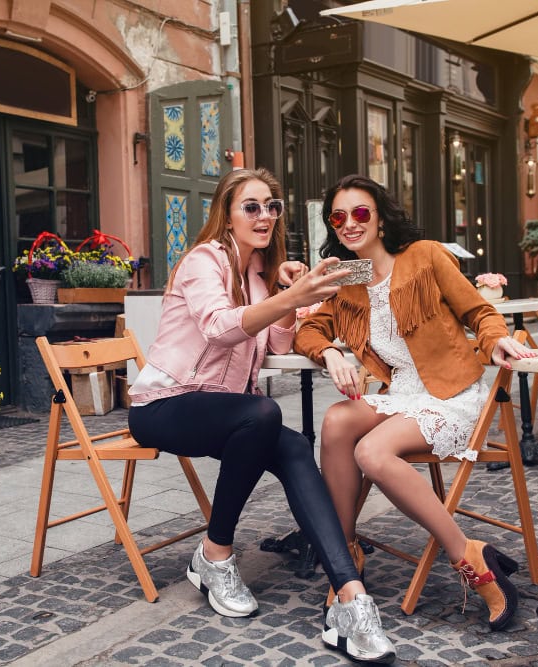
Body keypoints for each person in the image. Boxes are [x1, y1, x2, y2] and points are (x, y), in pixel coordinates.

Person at [127, 168, 397, 664]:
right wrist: (288, 297)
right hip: (164, 406)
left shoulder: (258, 276)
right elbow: (218, 328)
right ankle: (215, 554)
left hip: (230, 413)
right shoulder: (203, 261)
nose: (265, 215)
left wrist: (295, 298)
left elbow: (275, 342)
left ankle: (351, 600)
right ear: (226, 216)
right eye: (251, 206)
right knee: (263, 412)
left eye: (272, 206)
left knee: (291, 443)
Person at [293, 174, 536, 631]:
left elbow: (478, 310)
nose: (349, 223)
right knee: (336, 420)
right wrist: (329, 351)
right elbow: (308, 329)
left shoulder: (423, 256)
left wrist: (496, 339)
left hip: (452, 394)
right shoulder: (349, 278)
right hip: (402, 393)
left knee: (370, 451)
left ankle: (467, 555)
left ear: (380, 218)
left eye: (360, 213)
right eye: (338, 216)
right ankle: (345, 557)